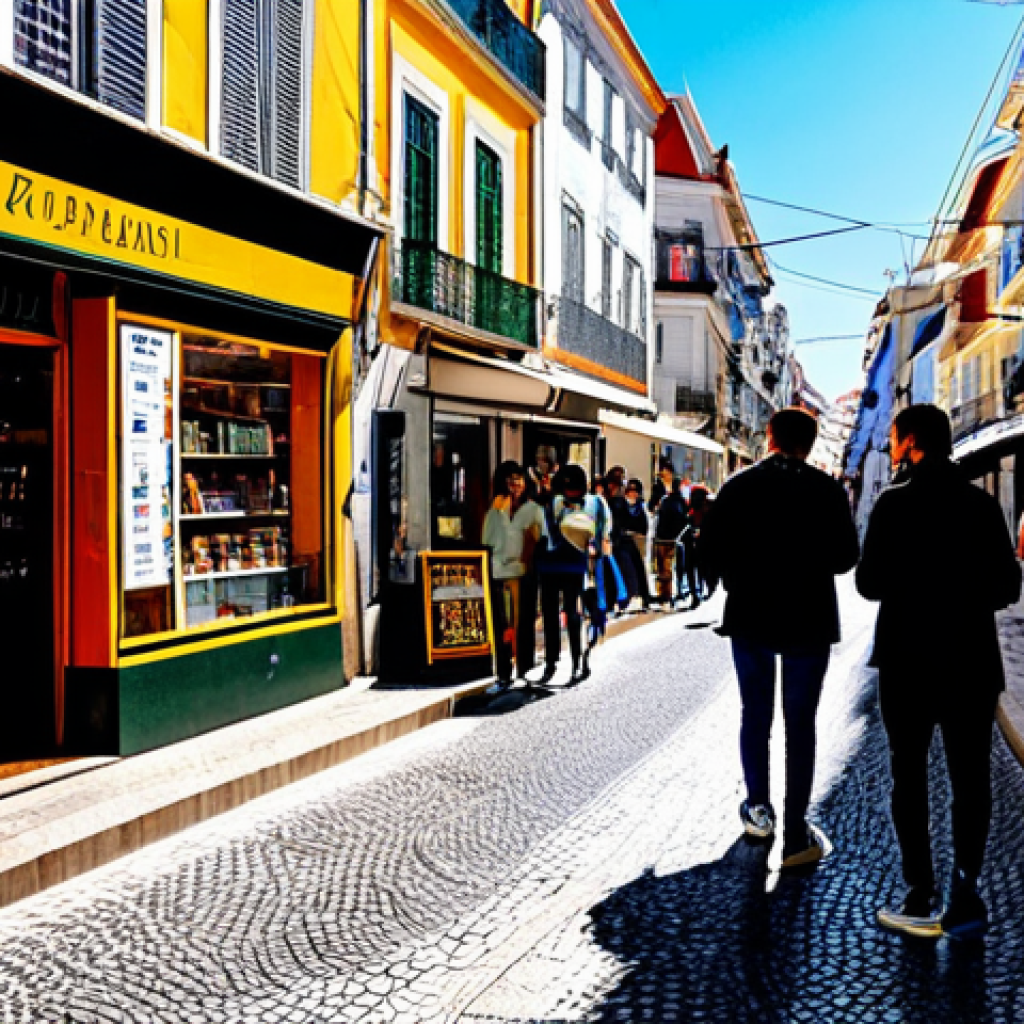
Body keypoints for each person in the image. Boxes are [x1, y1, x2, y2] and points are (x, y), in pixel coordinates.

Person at [856, 404, 1021, 939]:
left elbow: (868, 585)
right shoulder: (982, 505)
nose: (889, 443)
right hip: (970, 660)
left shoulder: (892, 505)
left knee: (910, 774)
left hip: (907, 660)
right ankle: (966, 893)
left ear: (910, 443)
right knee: (970, 780)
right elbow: (1006, 589)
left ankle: (919, 889)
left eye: (894, 437)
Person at [700, 407, 859, 868]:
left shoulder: (738, 487)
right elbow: (845, 558)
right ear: (809, 445)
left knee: (756, 713)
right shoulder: (827, 490)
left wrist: (738, 573)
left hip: (750, 615)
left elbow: (709, 552)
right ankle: (796, 830)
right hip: (808, 618)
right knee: (801, 723)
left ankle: (758, 810)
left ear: (769, 437)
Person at [537, 464, 610, 685]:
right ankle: (550, 664)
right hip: (550, 565)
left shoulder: (596, 504)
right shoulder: (553, 503)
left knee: (574, 614)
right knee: (550, 616)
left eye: (575, 489)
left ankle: (577, 661)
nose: (571, 493)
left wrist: (598, 560)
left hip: (578, 566)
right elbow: (544, 534)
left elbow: (604, 536)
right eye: (567, 489)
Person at [482, 461, 545, 692]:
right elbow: (486, 541)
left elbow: (542, 541)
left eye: (518, 479)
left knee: (523, 625)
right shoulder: (495, 509)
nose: (514, 484)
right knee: (503, 627)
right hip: (498, 574)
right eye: (510, 479)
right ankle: (503, 674)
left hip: (524, 575)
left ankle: (524, 670)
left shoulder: (533, 510)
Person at [651, 471, 689, 607]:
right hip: (674, 539)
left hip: (663, 537)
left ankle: (664, 594)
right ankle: (671, 594)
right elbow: (685, 520)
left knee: (663, 568)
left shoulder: (665, 501)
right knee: (671, 568)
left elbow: (659, 518)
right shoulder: (682, 502)